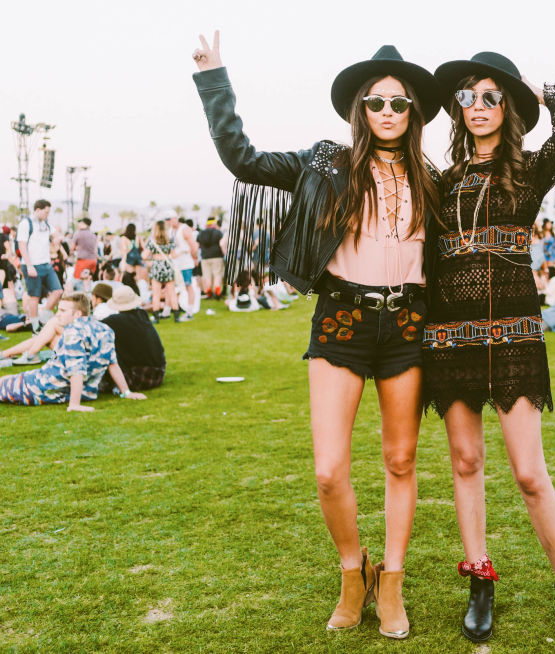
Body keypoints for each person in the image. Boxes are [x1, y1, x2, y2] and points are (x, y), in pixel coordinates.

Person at [193, 32, 442, 639]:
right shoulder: (324, 162)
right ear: (360, 110)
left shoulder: (433, 176)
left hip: (408, 323)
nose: (387, 112)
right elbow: (242, 158)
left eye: (398, 103)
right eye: (376, 102)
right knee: (329, 469)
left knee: (401, 459)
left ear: (413, 113)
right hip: (341, 319)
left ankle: (393, 584)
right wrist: (214, 78)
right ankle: (353, 572)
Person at [424, 52, 555, 648]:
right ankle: (480, 582)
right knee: (466, 463)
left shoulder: (526, 170)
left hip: (515, 333)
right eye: (469, 97)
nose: (477, 107)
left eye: (490, 97)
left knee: (528, 472)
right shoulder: (442, 181)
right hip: (449, 335)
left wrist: (540, 92)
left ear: (508, 109)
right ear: (457, 108)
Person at [0, 293, 147, 409]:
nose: (58, 314)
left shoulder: (73, 331)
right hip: (82, 392)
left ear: (77, 314)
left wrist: (74, 405)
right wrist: (126, 392)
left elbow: (76, 370)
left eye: (63, 310)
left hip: (42, 388)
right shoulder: (106, 329)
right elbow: (112, 364)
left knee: (3, 383)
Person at [100, 286, 166, 392]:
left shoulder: (114, 321)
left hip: (137, 376)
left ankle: (107, 383)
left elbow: (95, 326)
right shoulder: (142, 315)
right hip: (159, 372)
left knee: (105, 346)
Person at [17, 199, 63, 334]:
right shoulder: (26, 224)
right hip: (31, 265)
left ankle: (43, 315)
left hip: (46, 263)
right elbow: (22, 245)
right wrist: (29, 266)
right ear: (37, 210)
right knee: (34, 297)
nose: (47, 215)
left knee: (58, 291)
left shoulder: (46, 223)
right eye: (46, 212)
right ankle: (35, 326)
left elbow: (55, 234)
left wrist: (56, 238)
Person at [145, 220, 190, 323]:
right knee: (172, 293)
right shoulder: (170, 240)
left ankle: (156, 318)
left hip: (157, 266)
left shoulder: (152, 241)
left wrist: (153, 257)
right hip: (168, 266)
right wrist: (182, 251)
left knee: (156, 293)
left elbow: (144, 256)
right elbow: (173, 255)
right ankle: (176, 317)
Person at [197, 217, 226, 298]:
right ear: (214, 224)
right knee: (217, 274)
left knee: (207, 275)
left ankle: (209, 291)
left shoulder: (201, 233)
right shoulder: (218, 232)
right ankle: (217, 291)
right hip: (217, 256)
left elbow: (198, 245)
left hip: (205, 257)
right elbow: (222, 243)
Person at [70, 218, 99, 282]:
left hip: (83, 261)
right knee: (89, 279)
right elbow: (95, 250)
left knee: (78, 280)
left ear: (83, 223)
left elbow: (71, 248)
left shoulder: (78, 233)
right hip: (93, 260)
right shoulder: (93, 235)